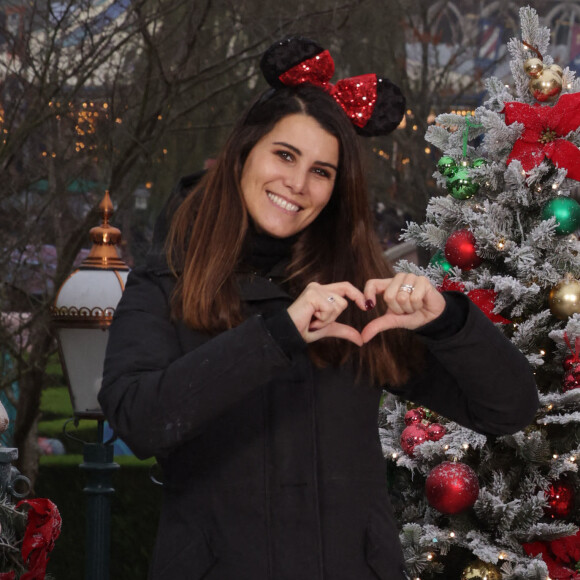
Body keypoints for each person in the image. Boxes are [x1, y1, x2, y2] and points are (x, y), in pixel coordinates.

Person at [99, 37, 539, 580]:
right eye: (284, 156)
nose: (297, 184)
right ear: (243, 155)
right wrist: (278, 334)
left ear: (336, 189)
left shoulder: (356, 297)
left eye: (322, 171)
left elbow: (508, 409)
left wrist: (448, 323)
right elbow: (139, 419)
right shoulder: (166, 282)